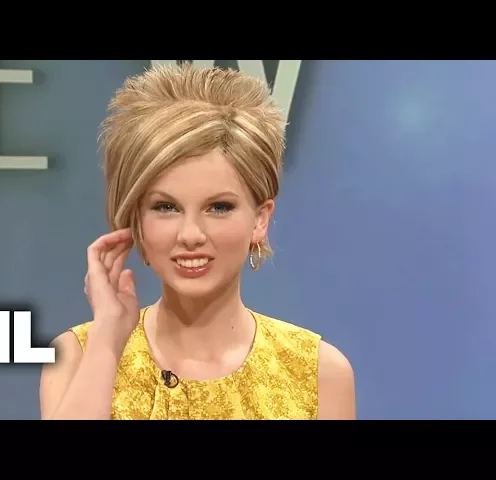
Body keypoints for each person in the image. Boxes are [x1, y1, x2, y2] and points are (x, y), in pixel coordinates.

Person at [39, 63, 356, 420]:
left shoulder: (316, 373)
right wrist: (107, 337)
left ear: (260, 219)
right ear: (136, 219)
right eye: (166, 207)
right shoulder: (77, 356)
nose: (190, 235)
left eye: (219, 207)